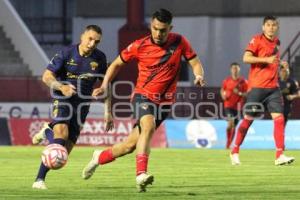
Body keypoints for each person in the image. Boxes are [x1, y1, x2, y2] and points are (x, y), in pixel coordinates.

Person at [81, 8, 205, 192]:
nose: (158, 33)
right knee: (148, 125)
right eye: (155, 28)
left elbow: (195, 62)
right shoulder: (139, 45)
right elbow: (115, 64)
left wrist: (199, 75)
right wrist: (105, 84)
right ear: (151, 26)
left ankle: (98, 157)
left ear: (170, 28)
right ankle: (141, 174)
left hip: (165, 103)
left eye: (163, 30)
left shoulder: (180, 42)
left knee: (129, 146)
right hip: (142, 96)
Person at [31, 25, 114, 189]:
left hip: (82, 106)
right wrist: (61, 87)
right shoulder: (66, 53)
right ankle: (39, 180)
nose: (92, 44)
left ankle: (47, 130)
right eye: (90, 39)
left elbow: (106, 85)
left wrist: (108, 111)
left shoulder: (100, 58)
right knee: (61, 134)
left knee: (63, 154)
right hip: (62, 98)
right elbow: (46, 76)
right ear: (82, 36)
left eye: (96, 42)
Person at [230, 16, 295, 166]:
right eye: (268, 25)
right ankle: (234, 151)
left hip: (273, 89)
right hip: (257, 88)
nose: (271, 28)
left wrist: (280, 63)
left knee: (279, 120)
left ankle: (279, 155)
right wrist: (267, 60)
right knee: (248, 121)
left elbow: (272, 61)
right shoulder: (256, 40)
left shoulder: (277, 43)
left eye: (274, 25)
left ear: (277, 27)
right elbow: (246, 58)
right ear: (263, 27)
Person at [220, 62, 248, 149]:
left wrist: (239, 93)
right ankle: (228, 144)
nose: (235, 70)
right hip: (228, 105)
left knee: (234, 126)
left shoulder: (243, 82)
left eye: (236, 68)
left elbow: (247, 94)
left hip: (238, 107)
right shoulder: (226, 81)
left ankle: (229, 144)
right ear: (231, 70)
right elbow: (222, 90)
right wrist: (223, 95)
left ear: (239, 70)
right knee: (230, 124)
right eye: (233, 68)